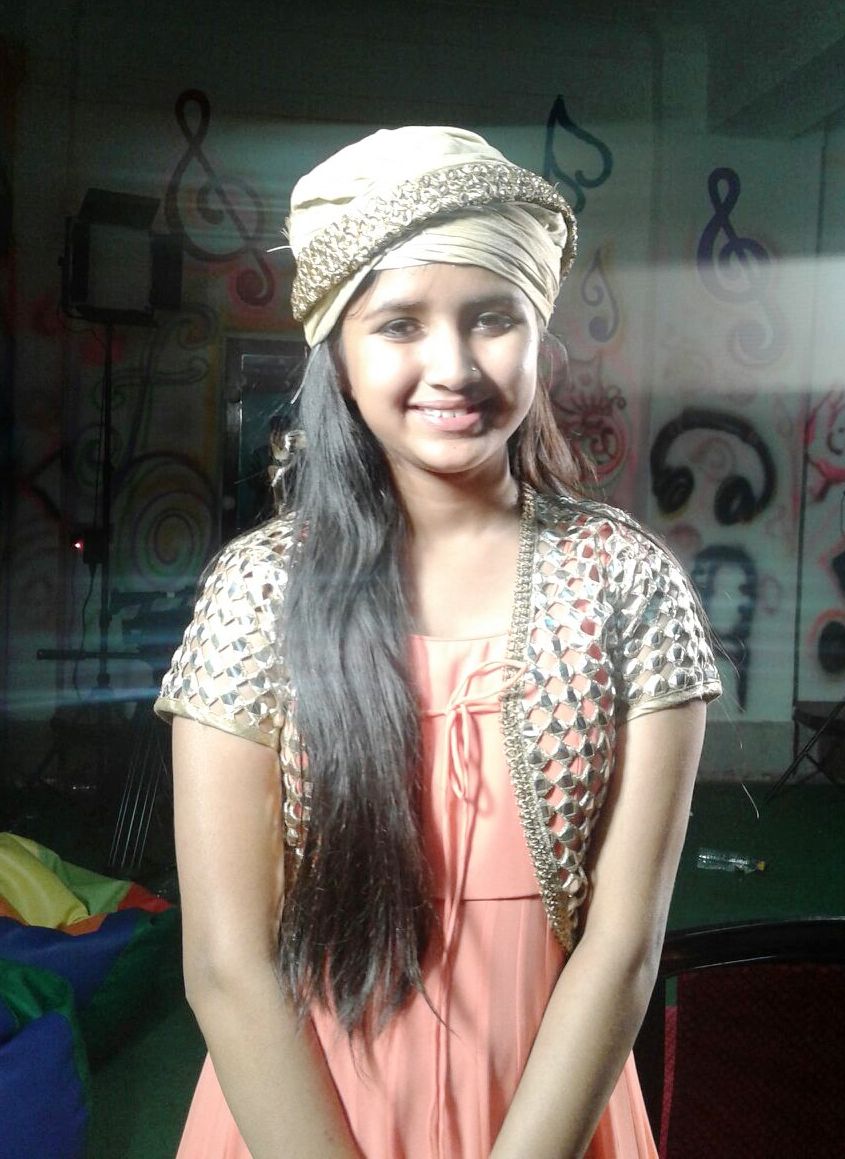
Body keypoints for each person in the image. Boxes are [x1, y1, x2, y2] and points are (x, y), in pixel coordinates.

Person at [155, 126, 722, 1159]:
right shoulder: (260, 591)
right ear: (338, 353)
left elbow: (621, 949)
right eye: (399, 324)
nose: (452, 366)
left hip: (550, 1115)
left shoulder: (627, 585)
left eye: (492, 317)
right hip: (298, 1121)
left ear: (537, 334)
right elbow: (227, 964)